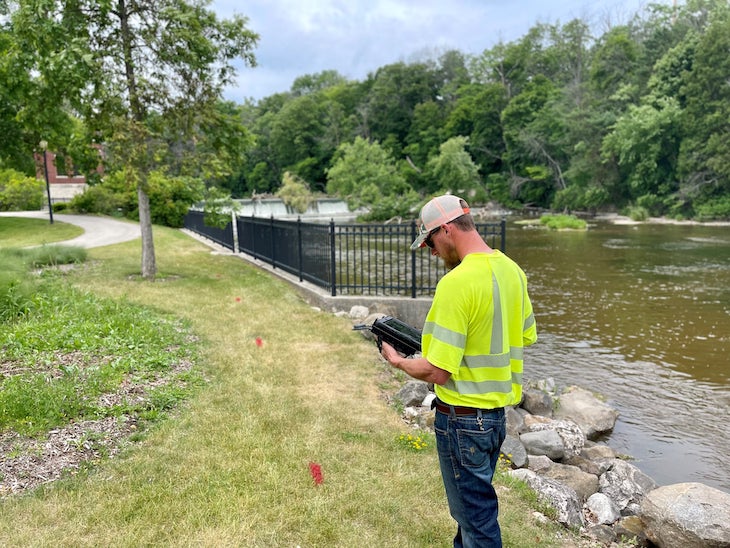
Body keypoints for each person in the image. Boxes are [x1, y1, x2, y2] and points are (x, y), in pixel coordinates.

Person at [380, 194, 537, 548]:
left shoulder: (455, 283)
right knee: (472, 513)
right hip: (496, 420)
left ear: (447, 230)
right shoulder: (514, 271)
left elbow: (437, 371)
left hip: (463, 421)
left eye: (431, 242)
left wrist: (399, 361)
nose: (432, 252)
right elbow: (525, 334)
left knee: (478, 523)